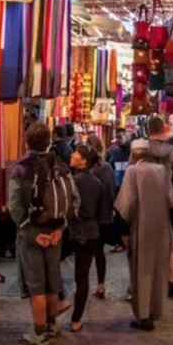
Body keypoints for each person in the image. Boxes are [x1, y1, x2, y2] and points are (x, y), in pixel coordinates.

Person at [9, 122, 79, 345]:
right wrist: (60, 229)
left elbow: (14, 205)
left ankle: (38, 332)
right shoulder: (60, 166)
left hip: (32, 234)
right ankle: (51, 324)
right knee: (52, 281)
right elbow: (73, 200)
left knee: (36, 285)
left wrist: (29, 231)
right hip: (55, 233)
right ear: (49, 142)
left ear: (27, 142)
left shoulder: (21, 169)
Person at [115, 140, 173, 331]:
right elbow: (172, 201)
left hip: (140, 228)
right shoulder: (162, 171)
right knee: (159, 269)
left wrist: (123, 233)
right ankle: (155, 310)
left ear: (134, 154)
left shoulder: (133, 172)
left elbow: (125, 204)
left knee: (142, 271)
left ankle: (143, 316)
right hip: (161, 228)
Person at [146, 116, 173, 299]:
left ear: (147, 130)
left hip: (147, 203)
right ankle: (172, 280)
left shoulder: (141, 151)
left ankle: (151, 282)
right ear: (163, 129)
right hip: (170, 202)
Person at [68, 145, 104, 332]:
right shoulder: (97, 183)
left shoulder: (73, 181)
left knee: (51, 267)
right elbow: (103, 212)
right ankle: (76, 320)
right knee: (82, 277)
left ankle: (58, 302)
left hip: (73, 231)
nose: (72, 155)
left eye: (76, 154)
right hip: (91, 232)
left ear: (83, 161)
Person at [85, 134, 115, 300]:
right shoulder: (108, 168)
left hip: (90, 216)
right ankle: (100, 284)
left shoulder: (88, 170)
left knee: (87, 252)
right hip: (102, 216)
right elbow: (110, 193)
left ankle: (86, 285)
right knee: (98, 252)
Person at [105, 128, 132, 253]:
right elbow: (110, 167)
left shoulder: (132, 152)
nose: (118, 140)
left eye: (120, 137)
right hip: (117, 187)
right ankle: (121, 242)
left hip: (129, 187)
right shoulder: (113, 152)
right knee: (119, 217)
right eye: (117, 137)